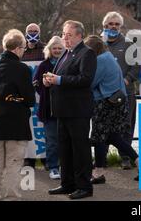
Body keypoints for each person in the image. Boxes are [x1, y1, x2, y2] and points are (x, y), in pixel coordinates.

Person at [0, 29, 36, 200]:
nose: (24, 52)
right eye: (24, 49)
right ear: (18, 48)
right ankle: (11, 196)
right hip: (15, 122)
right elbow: (30, 100)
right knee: (13, 163)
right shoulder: (22, 69)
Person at [45, 20, 97, 200]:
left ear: (79, 35)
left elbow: (85, 79)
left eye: (68, 35)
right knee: (64, 148)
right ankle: (67, 183)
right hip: (62, 110)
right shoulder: (66, 53)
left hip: (78, 110)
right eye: (63, 34)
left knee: (80, 150)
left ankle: (84, 187)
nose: (64, 38)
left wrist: (58, 80)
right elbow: (62, 76)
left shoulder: (87, 53)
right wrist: (49, 80)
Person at [84, 35, 139, 184]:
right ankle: (138, 161)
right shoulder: (108, 57)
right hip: (116, 103)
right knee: (111, 137)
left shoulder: (101, 61)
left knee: (101, 137)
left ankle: (99, 172)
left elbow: (90, 82)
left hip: (106, 104)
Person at [101, 12, 141, 170]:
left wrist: (127, 79)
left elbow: (137, 66)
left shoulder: (129, 44)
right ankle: (100, 158)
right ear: (105, 25)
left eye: (117, 24)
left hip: (125, 92)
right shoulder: (98, 44)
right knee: (101, 126)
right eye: (111, 23)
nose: (113, 26)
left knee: (125, 125)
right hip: (103, 93)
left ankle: (125, 157)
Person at [32, 36, 65, 180]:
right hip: (48, 109)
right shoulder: (43, 65)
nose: (57, 50)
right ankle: (53, 167)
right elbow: (36, 84)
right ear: (49, 50)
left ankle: (67, 166)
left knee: (66, 140)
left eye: (60, 48)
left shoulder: (68, 62)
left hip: (66, 108)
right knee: (52, 141)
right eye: (55, 48)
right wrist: (45, 89)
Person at [21, 23, 46, 169]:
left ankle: (46, 159)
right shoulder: (21, 49)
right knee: (27, 127)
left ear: (40, 32)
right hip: (25, 95)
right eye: (30, 31)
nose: (32, 33)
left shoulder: (45, 50)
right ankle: (29, 159)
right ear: (25, 32)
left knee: (43, 127)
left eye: (35, 31)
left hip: (41, 94)